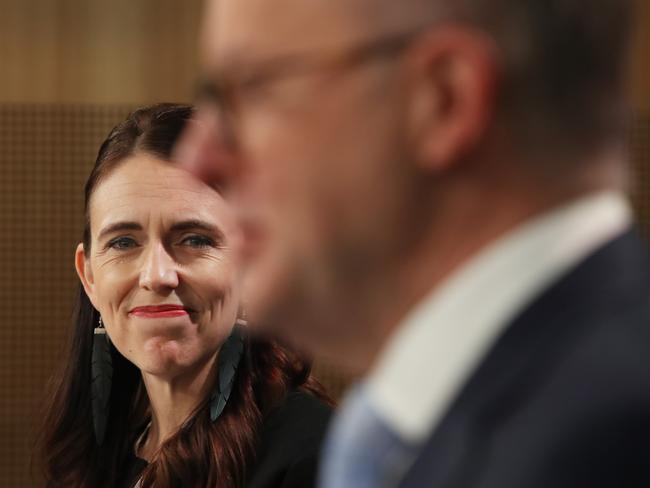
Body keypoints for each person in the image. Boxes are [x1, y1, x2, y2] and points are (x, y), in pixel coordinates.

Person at [176, 0, 650, 487]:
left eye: (252, 90)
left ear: (444, 97)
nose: (197, 160)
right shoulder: (453, 427)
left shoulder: (608, 447)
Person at [38, 103, 332, 488]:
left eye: (194, 239)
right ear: (89, 276)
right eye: (124, 242)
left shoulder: (315, 455)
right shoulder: (95, 458)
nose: (156, 275)